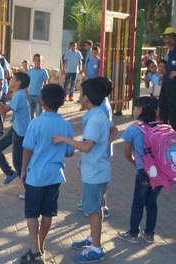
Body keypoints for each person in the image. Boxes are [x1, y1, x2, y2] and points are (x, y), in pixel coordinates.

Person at [54, 77, 117, 263]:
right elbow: (113, 130)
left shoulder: (95, 119)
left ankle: (96, 249)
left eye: (81, 94)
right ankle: (92, 239)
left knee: (93, 210)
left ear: (87, 97)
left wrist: (64, 139)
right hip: (97, 170)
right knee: (94, 209)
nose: (79, 97)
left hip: (96, 174)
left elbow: (86, 146)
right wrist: (103, 146)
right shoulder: (99, 114)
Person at [19, 83, 75, 263]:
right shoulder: (65, 125)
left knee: (32, 214)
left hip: (36, 176)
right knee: (48, 213)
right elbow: (70, 152)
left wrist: (22, 170)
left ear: (42, 101)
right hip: (55, 175)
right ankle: (39, 247)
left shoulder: (36, 123)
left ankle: (35, 252)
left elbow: (27, 149)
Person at [117, 96, 162, 245]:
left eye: (135, 108)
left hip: (144, 171)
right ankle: (149, 233)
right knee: (152, 202)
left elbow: (127, 153)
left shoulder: (133, 129)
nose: (134, 110)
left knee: (138, 202)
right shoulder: (161, 126)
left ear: (140, 111)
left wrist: (134, 163)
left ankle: (133, 233)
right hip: (160, 172)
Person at [0, 72, 31, 190]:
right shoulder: (18, 94)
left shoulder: (20, 96)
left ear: (18, 83)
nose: (10, 80)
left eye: (13, 79)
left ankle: (30, 190)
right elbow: (4, 108)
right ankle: (10, 174)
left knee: (19, 163)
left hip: (21, 133)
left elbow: (2, 111)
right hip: (15, 129)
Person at [27, 53, 49, 119]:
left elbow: (45, 83)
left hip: (39, 96)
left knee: (38, 114)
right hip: (30, 95)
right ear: (33, 60)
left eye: (39, 60)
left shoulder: (43, 71)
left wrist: (43, 95)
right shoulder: (30, 71)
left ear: (41, 61)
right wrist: (26, 92)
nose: (37, 62)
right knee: (30, 114)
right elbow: (27, 83)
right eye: (36, 60)